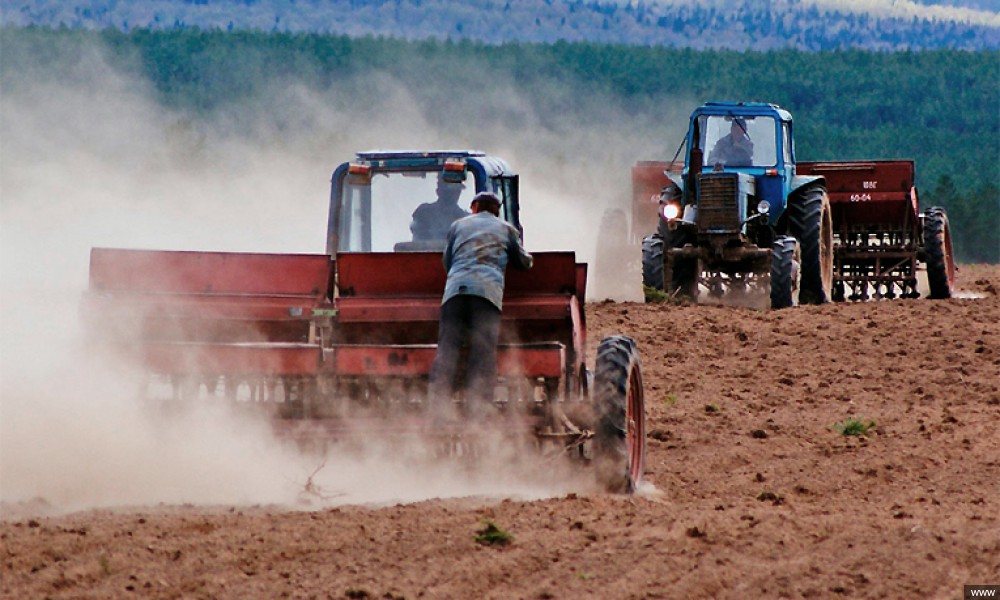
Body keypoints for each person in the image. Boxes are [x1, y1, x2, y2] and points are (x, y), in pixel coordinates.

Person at [427, 191, 533, 424]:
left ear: (474, 207)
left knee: (447, 350)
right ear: (497, 210)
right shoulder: (506, 229)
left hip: (454, 294)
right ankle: (478, 411)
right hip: (486, 296)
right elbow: (524, 262)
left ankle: (438, 411)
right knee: (482, 353)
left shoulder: (457, 226)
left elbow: (448, 261)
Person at [410, 173, 470, 243]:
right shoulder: (424, 212)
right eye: (447, 191)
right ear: (438, 191)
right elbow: (418, 242)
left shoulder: (466, 219)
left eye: (454, 191)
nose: (451, 195)